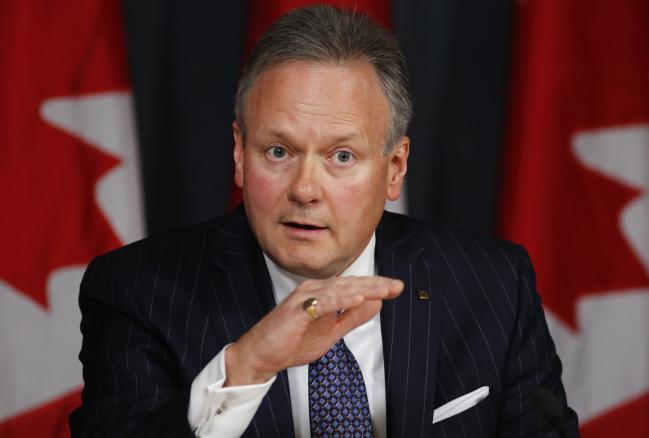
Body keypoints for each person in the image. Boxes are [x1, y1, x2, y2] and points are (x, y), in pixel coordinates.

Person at [69, 5, 579, 437]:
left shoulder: (490, 284)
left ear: (394, 168)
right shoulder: (138, 291)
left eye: (341, 157)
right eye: (277, 151)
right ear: (240, 156)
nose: (305, 190)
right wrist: (246, 367)